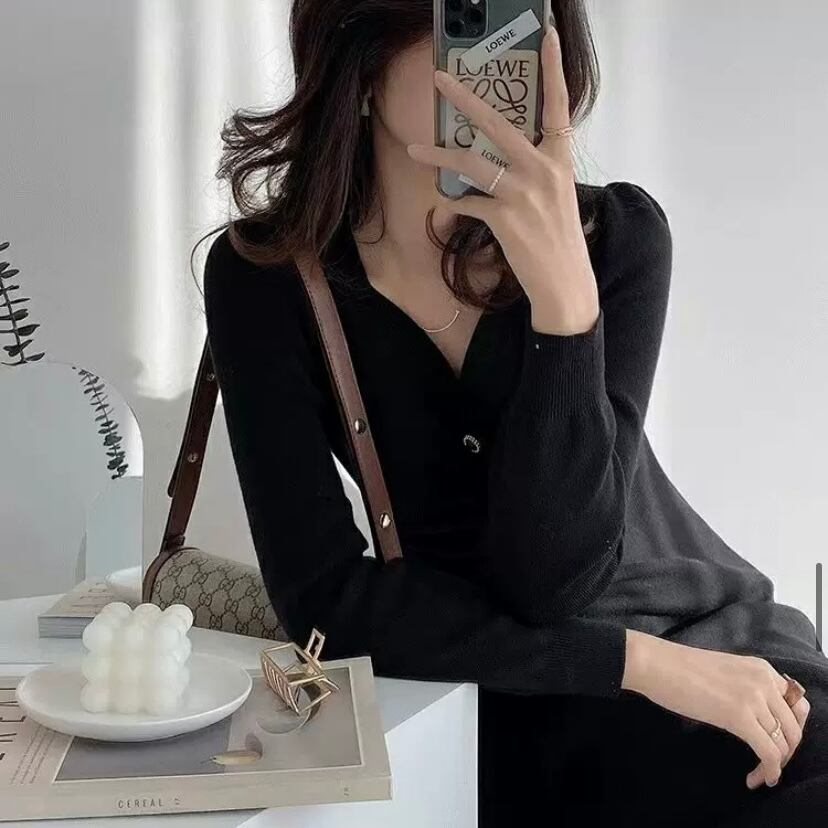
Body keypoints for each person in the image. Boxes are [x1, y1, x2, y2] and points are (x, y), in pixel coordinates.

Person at [194, 2, 828, 825]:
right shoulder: (267, 279)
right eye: (466, 21)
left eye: (521, 22)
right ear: (361, 58)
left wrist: (563, 298)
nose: (498, 59)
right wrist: (639, 665)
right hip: (517, 701)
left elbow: (559, 570)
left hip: (730, 654)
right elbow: (329, 600)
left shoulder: (615, 240)